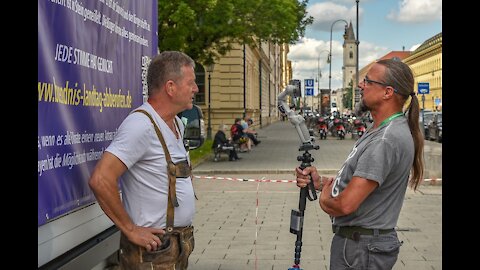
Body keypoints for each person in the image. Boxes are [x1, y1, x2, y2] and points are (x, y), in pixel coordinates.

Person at [295, 59, 424, 270]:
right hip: (361, 246)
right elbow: (363, 186)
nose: (361, 86)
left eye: (367, 81)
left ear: (387, 92)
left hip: (360, 250)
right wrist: (321, 183)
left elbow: (345, 205)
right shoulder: (379, 130)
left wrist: (325, 200)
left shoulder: (385, 140)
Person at [88, 51, 199, 269]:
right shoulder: (141, 125)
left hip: (176, 246)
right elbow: (100, 179)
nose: (195, 89)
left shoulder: (177, 123)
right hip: (153, 254)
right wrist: (130, 229)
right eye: (191, 83)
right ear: (170, 87)